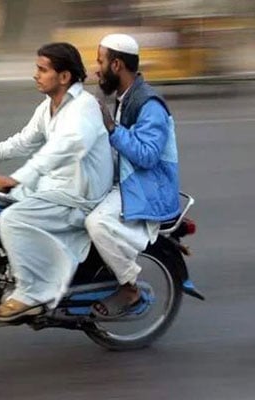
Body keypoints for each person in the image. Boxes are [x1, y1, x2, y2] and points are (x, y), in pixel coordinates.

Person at [0, 42, 113, 322]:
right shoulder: (49, 106)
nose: (36, 75)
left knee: (12, 219)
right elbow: (24, 140)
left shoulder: (83, 108)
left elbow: (62, 150)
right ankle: (17, 270)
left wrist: (16, 179)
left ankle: (32, 294)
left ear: (64, 77)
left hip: (79, 196)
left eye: (43, 70)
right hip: (56, 186)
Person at [85, 33, 180, 319]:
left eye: (100, 61)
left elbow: (148, 155)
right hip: (128, 180)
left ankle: (130, 289)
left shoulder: (149, 103)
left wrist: (112, 128)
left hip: (149, 188)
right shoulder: (125, 96)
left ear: (116, 65)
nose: (96, 67)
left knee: (97, 222)